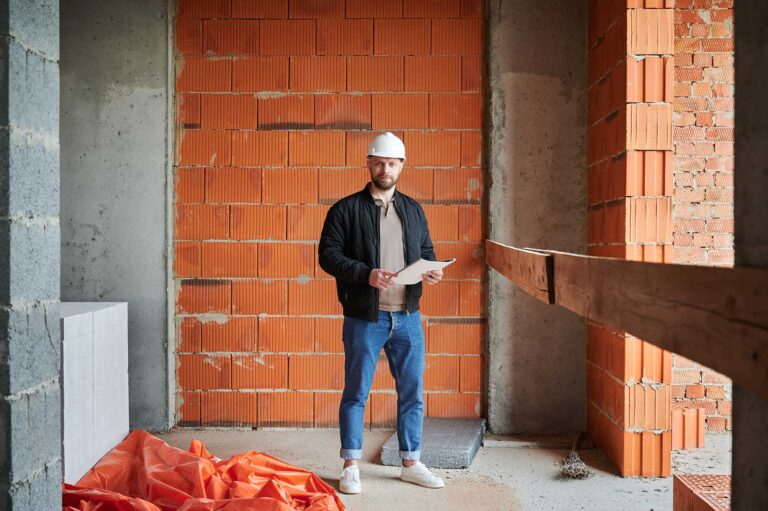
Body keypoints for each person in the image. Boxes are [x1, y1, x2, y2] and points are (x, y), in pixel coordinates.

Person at [318, 132, 445, 494]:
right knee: (356, 391)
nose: (385, 169)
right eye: (379, 162)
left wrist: (431, 270)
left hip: (408, 317)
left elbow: (425, 250)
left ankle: (411, 462)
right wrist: (366, 274)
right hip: (365, 317)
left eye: (392, 163)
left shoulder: (413, 210)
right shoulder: (345, 209)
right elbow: (329, 255)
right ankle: (350, 465)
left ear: (401, 166)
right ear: (368, 163)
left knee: (412, 391)